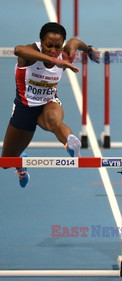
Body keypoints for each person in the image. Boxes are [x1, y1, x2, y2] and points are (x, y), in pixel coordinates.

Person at [1, 22, 100, 188]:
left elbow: (75, 42)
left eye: (57, 46)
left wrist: (89, 50)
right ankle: (20, 162)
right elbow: (18, 49)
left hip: (48, 103)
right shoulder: (29, 54)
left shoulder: (65, 55)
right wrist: (54, 60)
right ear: (41, 42)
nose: (54, 50)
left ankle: (71, 143)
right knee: (5, 162)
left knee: (53, 121)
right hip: (24, 109)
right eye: (48, 46)